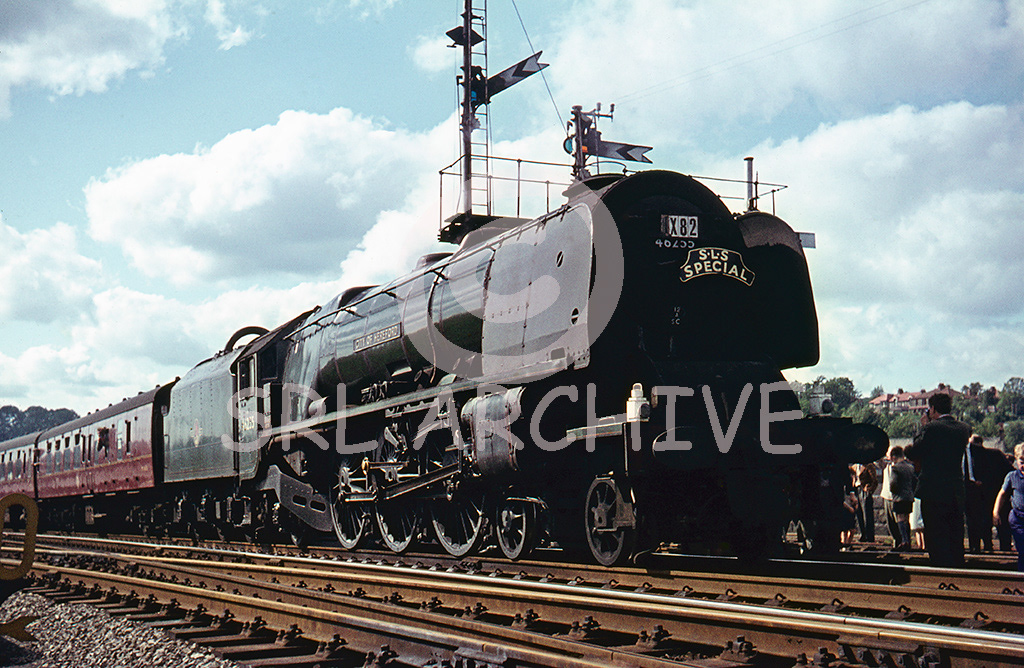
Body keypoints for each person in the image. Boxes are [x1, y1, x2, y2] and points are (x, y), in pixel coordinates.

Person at [905, 393, 970, 567]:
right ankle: (958, 567)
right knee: (955, 534)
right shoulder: (963, 428)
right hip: (955, 490)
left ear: (932, 409)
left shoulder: (931, 428)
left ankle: (940, 568)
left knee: (935, 534)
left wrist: (924, 426)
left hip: (933, 490)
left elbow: (916, 450)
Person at [964, 434, 1013, 552]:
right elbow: (1010, 473)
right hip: (998, 498)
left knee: (977, 529)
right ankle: (1004, 553)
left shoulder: (970, 456)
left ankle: (978, 551)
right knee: (1003, 529)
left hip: (977, 499)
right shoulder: (996, 455)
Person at [992, 442, 1024, 571]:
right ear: (1016, 460)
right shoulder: (1012, 476)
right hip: (1018, 519)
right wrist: (996, 513)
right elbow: (1002, 495)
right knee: (1022, 547)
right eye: (1021, 461)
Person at [887, 445, 916, 550]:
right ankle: (908, 540)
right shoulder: (910, 467)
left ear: (894, 456)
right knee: (907, 519)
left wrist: (893, 492)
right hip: (909, 496)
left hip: (899, 497)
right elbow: (914, 482)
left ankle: (904, 541)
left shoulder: (896, 468)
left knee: (900, 518)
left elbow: (893, 483)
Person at [855, 462, 878, 542]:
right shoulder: (856, 466)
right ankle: (863, 534)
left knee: (867, 514)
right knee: (859, 513)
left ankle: (869, 536)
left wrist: (869, 489)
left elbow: (875, 480)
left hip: (865, 491)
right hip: (857, 489)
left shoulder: (869, 465)